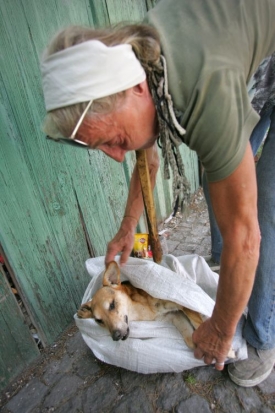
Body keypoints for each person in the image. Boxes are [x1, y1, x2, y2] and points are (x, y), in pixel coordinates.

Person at [40, 0, 275, 387]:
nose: (117, 156)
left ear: (136, 88)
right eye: (103, 147)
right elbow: (146, 162)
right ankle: (224, 272)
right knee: (218, 177)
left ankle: (264, 337)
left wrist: (218, 328)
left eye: (115, 140)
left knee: (262, 205)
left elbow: (246, 238)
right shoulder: (141, 61)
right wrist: (128, 224)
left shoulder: (202, 89)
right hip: (239, 62)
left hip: (251, 60)